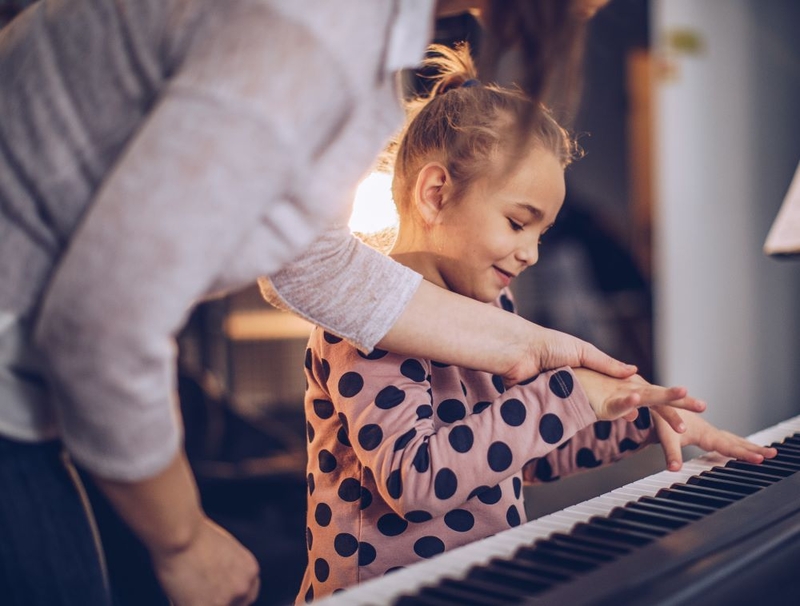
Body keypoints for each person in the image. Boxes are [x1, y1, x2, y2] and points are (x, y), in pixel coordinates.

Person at [0, 1, 645, 605]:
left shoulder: (355, 44)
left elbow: (311, 263)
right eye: (517, 223)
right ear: (436, 193)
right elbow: (105, 316)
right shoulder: (317, 35)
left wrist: (627, 406)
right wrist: (182, 538)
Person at [295, 43, 777, 602]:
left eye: (541, 234)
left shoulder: (493, 312)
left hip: (480, 583)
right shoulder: (360, 321)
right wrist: (568, 395)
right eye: (518, 222)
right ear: (435, 193)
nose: (531, 254)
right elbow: (417, 481)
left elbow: (522, 451)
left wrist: (633, 419)